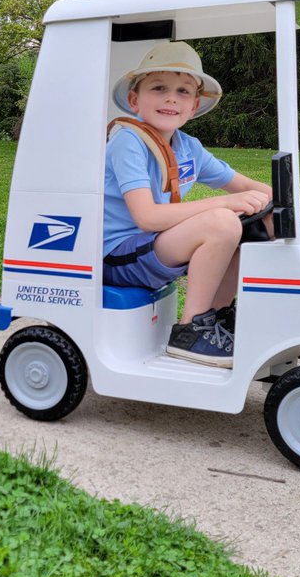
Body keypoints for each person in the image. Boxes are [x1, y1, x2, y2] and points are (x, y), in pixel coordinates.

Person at [103, 41, 272, 368]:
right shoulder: (128, 141)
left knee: (249, 223)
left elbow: (247, 186)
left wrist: (271, 198)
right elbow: (147, 217)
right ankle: (190, 330)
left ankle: (217, 319)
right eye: (159, 88)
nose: (171, 98)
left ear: (194, 106)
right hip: (117, 253)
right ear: (135, 100)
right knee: (222, 222)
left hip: (150, 247)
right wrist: (224, 203)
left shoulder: (187, 147)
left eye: (182, 91)